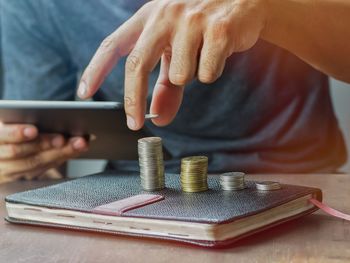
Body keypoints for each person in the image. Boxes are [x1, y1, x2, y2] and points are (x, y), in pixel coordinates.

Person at [0, 0, 347, 182]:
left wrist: (267, 8)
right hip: (134, 188)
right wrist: (19, 159)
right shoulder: (33, 4)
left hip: (297, 179)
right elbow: (42, 148)